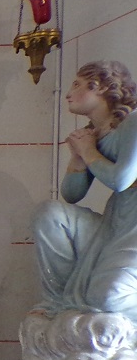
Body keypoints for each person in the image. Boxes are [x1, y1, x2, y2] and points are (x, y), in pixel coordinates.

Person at [32, 61, 137, 320]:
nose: (68, 93)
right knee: (51, 214)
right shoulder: (95, 133)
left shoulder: (133, 122)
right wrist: (79, 156)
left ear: (99, 87)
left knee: (108, 298)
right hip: (115, 223)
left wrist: (88, 151)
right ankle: (58, 302)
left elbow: (121, 180)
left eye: (76, 85)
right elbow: (72, 194)